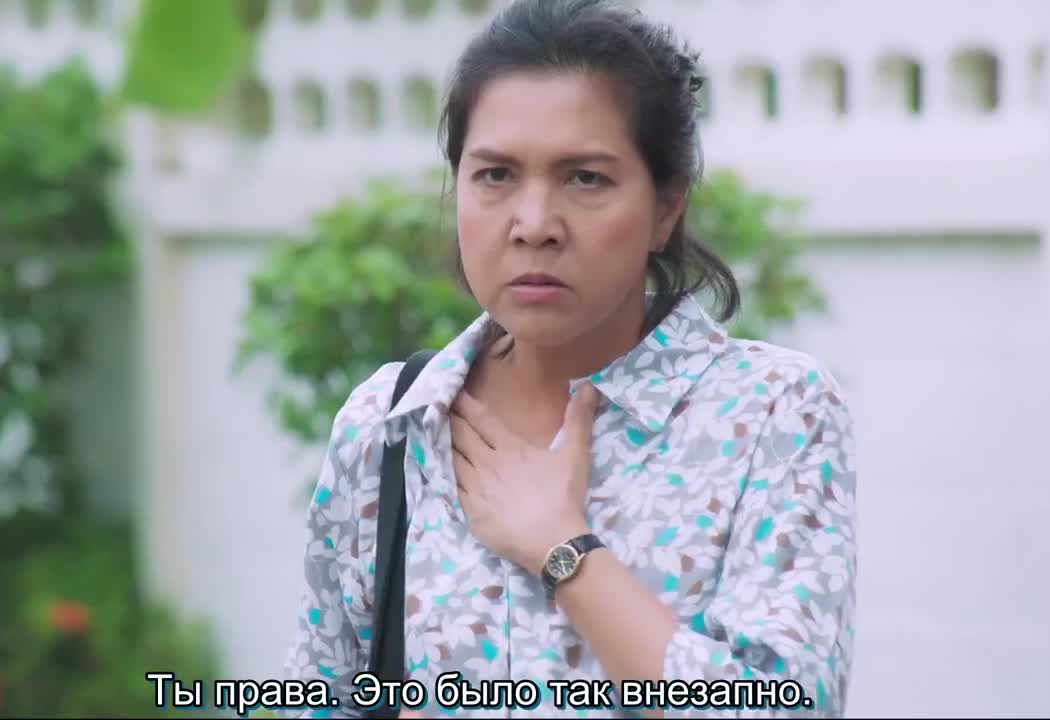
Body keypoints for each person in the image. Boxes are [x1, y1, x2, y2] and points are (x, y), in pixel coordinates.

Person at [280, 0, 857, 717]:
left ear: (666, 206)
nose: (534, 226)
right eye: (495, 175)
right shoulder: (390, 423)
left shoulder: (773, 414)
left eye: (585, 178)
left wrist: (565, 549)